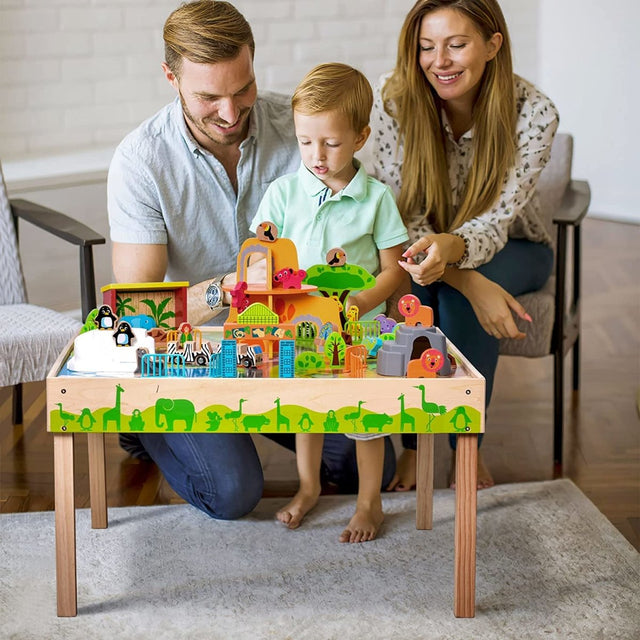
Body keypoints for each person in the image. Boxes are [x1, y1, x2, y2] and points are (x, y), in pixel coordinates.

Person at [106, 0, 397, 520]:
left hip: (289, 346)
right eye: (208, 97)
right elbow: (135, 310)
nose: (230, 112)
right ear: (170, 77)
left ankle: (243, 421)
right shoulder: (141, 161)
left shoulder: (306, 129)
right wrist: (229, 288)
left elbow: (366, 231)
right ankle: (145, 424)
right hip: (196, 356)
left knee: (363, 461)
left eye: (242, 89)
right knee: (233, 493)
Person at [372, 0, 559, 490]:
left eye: (457, 45)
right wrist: (466, 279)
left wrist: (458, 267)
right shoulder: (394, 102)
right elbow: (400, 212)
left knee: (449, 294)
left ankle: (463, 446)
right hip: (424, 247)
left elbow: (497, 221)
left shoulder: (535, 114)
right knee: (420, 294)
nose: (440, 61)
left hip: (517, 248)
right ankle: (416, 443)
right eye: (427, 47)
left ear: (493, 45)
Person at [251, 63, 409, 542]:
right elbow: (261, 252)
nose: (316, 155)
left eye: (331, 143)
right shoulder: (282, 193)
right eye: (305, 142)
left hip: (357, 333)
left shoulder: (377, 199)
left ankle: (369, 503)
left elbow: (395, 270)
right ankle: (308, 486)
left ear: (360, 137)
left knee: (364, 418)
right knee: (306, 411)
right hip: (301, 330)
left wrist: (360, 302)